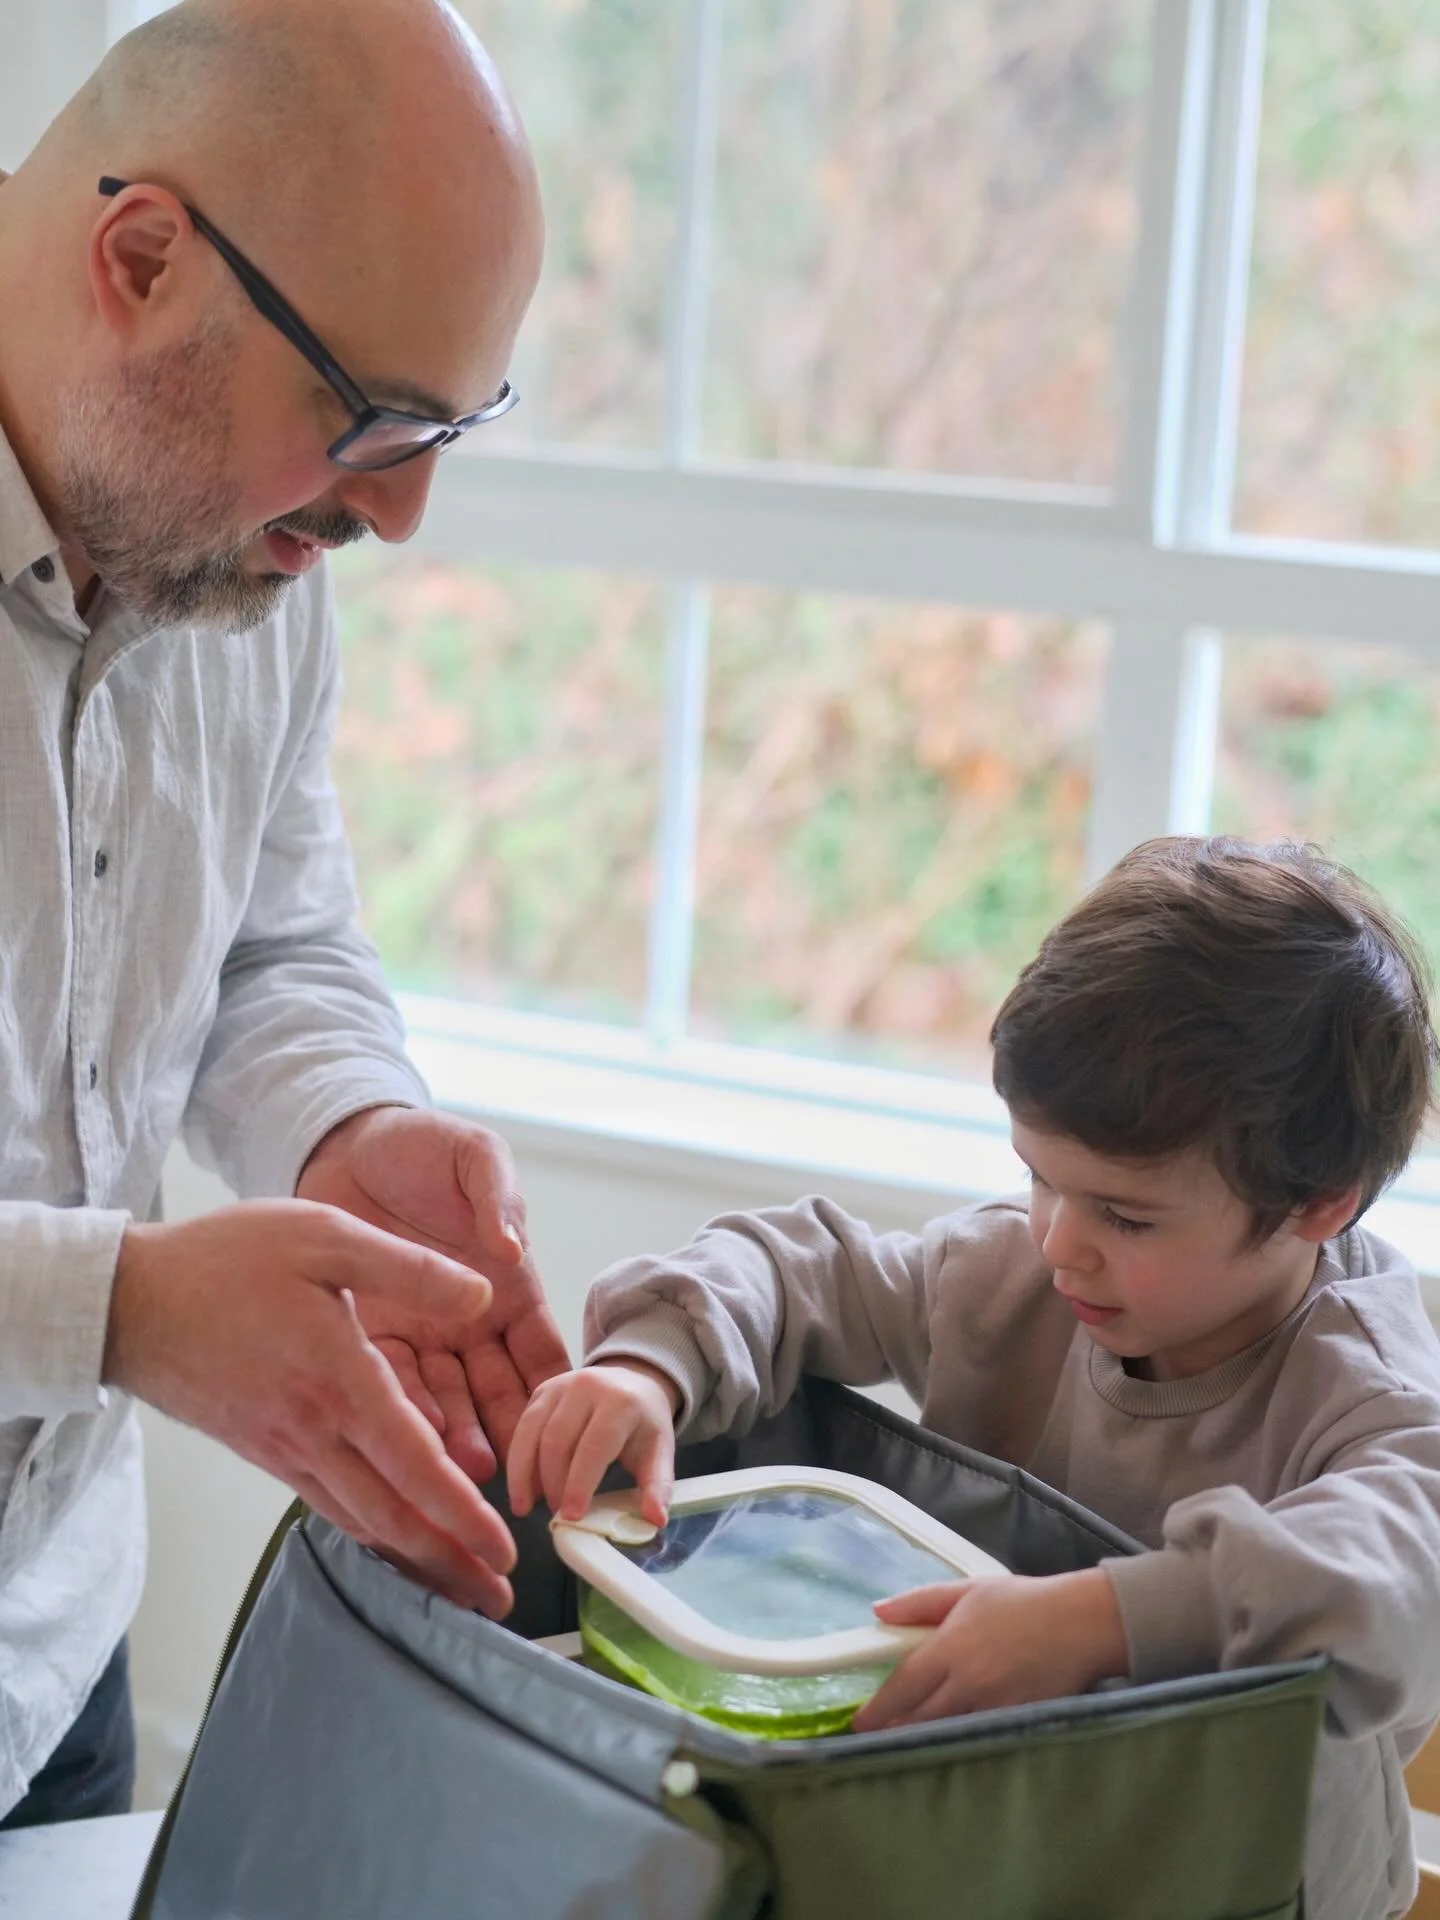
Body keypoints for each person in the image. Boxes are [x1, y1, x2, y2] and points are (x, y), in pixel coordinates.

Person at [0, 0, 567, 1829]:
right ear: (142, 257)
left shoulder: (243, 540)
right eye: (371, 420)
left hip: (50, 1643)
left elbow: (269, 934)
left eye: (450, 430)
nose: (397, 517)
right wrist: (124, 1309)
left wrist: (347, 1126)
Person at [509, 835, 1440, 1920]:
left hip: (1235, 1881)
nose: (1060, 1244)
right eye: (1037, 1178)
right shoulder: (1017, 1277)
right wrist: (650, 1362)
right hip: (1001, 1854)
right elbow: (796, 1269)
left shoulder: (1369, 1387)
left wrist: (1096, 1620)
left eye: (1125, 1215)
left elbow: (1399, 1576)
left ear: (1321, 1203)